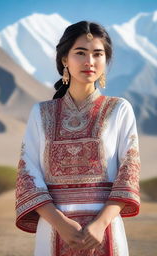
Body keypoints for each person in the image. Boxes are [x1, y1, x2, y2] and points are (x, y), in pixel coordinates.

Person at [15, 20, 141, 256]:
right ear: (65, 59)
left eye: (97, 54)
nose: (89, 62)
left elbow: (129, 170)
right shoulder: (41, 113)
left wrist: (100, 224)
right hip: (53, 229)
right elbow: (27, 173)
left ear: (106, 60)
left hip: (105, 230)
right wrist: (60, 223)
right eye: (80, 53)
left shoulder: (119, 109)